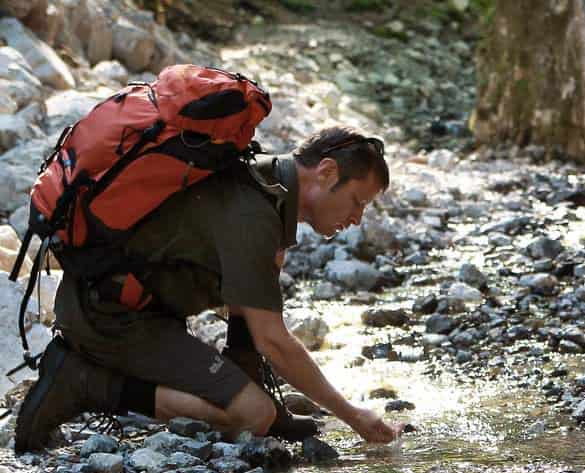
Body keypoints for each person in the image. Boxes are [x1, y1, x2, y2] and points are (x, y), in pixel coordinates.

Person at [13, 126, 401, 452]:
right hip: (111, 316)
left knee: (270, 269)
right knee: (252, 415)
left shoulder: (264, 181)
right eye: (357, 202)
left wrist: (247, 373)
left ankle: (250, 386)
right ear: (327, 172)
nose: (355, 219)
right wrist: (352, 415)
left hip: (136, 306)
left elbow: (246, 299)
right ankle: (87, 382)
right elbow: (275, 342)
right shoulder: (254, 214)